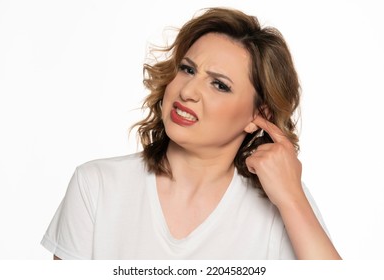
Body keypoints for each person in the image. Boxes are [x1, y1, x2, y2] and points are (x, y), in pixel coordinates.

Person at [41, 7, 341, 260]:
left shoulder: (283, 204)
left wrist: (291, 198)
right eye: (187, 69)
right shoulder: (97, 186)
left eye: (219, 84)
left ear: (257, 116)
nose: (187, 91)